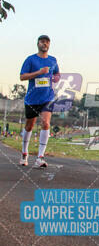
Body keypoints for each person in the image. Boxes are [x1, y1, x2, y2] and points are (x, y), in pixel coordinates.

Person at [19, 35, 60, 167]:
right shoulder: (30, 59)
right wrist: (39, 72)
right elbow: (22, 77)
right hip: (32, 99)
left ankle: (40, 157)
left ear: (49, 45)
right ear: (38, 44)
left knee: (46, 123)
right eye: (42, 42)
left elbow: (57, 74)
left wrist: (55, 79)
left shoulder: (53, 60)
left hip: (47, 98)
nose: (45, 44)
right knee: (29, 126)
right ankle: (24, 153)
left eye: (47, 42)